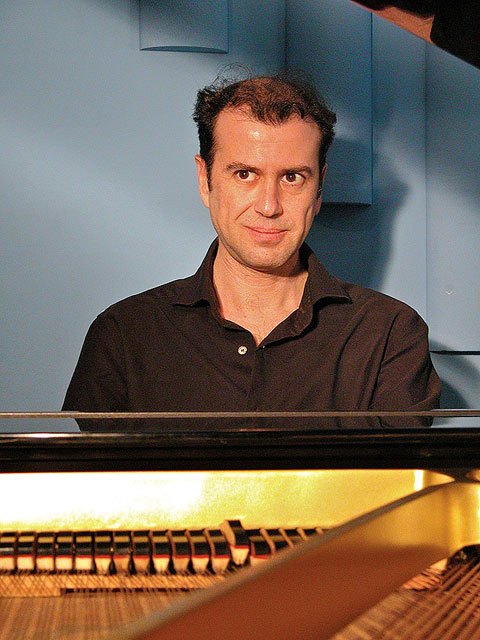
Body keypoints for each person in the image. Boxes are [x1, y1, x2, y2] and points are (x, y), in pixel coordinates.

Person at [63, 74, 440, 429]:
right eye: (245, 174)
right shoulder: (124, 334)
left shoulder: (389, 334)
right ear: (205, 180)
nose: (269, 206)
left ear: (319, 188)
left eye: (292, 177)